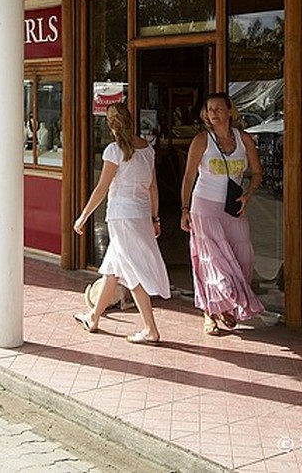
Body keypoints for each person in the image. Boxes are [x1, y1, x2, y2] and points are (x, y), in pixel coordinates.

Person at [73, 102, 171, 345]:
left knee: (131, 269)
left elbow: (101, 189)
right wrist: (155, 218)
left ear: (110, 124)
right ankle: (93, 317)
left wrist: (84, 215)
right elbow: (153, 187)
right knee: (112, 269)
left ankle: (150, 329)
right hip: (139, 215)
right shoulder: (147, 149)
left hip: (120, 216)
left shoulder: (114, 151)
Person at [180, 92, 265, 336]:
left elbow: (257, 173)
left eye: (218, 108)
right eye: (209, 109)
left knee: (243, 258)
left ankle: (226, 303)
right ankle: (210, 312)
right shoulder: (202, 140)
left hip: (233, 207)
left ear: (230, 111)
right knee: (213, 263)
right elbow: (188, 176)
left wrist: (248, 196)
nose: (213, 113)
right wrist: (185, 209)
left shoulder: (244, 139)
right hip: (204, 206)